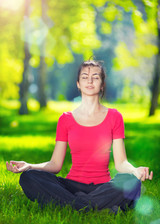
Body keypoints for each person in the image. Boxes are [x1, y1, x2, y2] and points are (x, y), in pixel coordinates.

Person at [6, 59, 153, 214]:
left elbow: (121, 163)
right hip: (71, 185)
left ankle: (73, 205)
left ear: (102, 84)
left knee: (132, 182)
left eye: (95, 77)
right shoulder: (65, 119)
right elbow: (55, 164)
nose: (89, 80)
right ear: (78, 83)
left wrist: (135, 171)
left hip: (103, 187)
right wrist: (29, 166)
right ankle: (98, 207)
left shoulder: (114, 117)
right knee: (29, 177)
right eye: (84, 77)